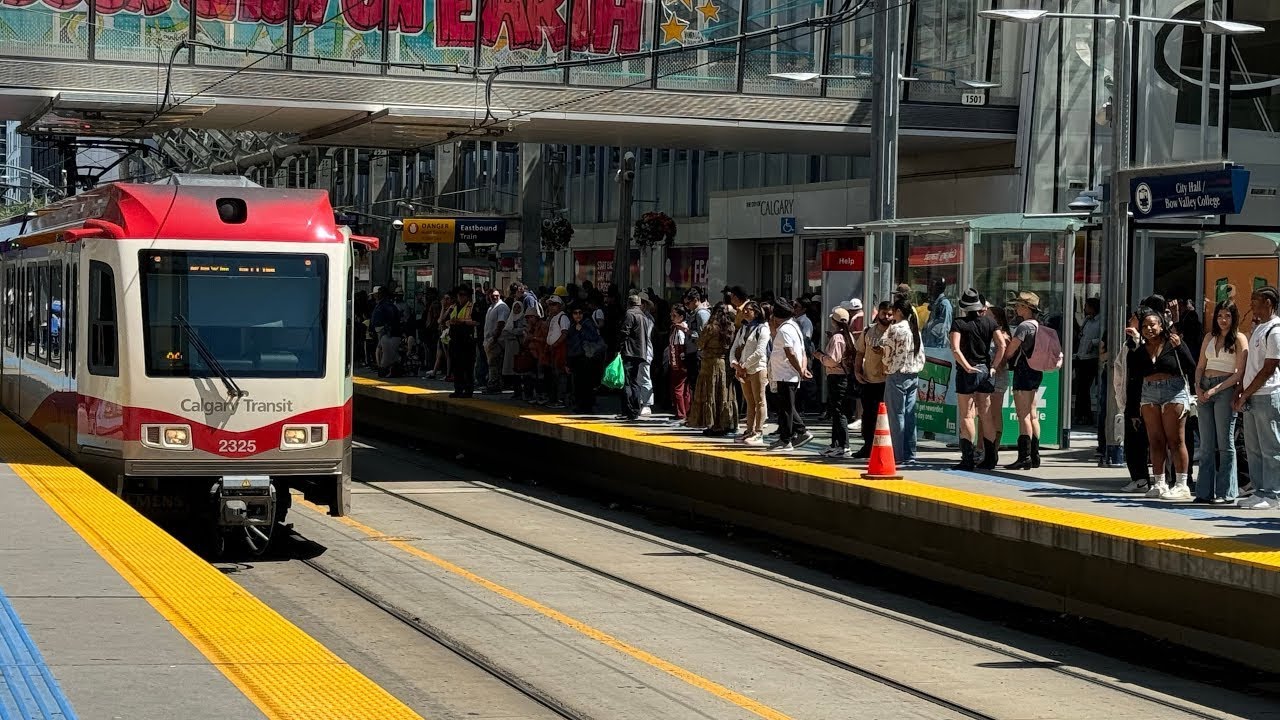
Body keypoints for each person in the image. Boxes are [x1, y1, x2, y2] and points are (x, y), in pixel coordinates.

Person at [1129, 309, 1196, 499]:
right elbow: (1135, 377)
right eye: (1144, 326)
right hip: (1148, 392)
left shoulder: (1173, 343)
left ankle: (1182, 484)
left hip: (1174, 390)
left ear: (1161, 325)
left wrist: (1180, 347)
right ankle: (1159, 483)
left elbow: (1191, 366)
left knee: (1176, 440)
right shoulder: (1140, 349)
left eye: (1153, 324)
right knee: (1155, 441)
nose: (1149, 329)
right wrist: (1133, 409)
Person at [1194, 301, 1247, 504]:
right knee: (1206, 444)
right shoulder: (1209, 336)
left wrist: (1216, 388)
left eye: (1227, 316)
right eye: (1220, 316)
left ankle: (1226, 492)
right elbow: (1200, 366)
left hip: (1225, 388)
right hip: (1205, 385)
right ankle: (1204, 492)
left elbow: (1239, 373)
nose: (1223, 320)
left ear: (1234, 318)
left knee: (1225, 443)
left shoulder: (1240, 339)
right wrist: (1198, 386)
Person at [1233, 286, 1280, 509]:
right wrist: (1242, 391)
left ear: (1269, 303)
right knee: (1253, 448)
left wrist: (1246, 393)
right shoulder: (1258, 328)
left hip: (1267, 395)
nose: (1251, 304)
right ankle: (1260, 490)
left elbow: (1269, 367)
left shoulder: (1275, 330)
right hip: (1252, 395)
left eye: (1255, 300)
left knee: (1271, 447)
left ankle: (1273, 494)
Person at [949, 288, 1004, 471]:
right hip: (986, 371)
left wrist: (966, 366)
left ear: (964, 307)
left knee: (967, 415)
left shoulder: (959, 323)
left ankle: (968, 458)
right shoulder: (990, 322)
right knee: (986, 415)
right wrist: (994, 367)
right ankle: (990, 458)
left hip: (968, 371)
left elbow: (955, 349)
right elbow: (1002, 345)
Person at [996, 291, 1045, 470]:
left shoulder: (1024, 326)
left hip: (1023, 371)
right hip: (1036, 370)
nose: (1016, 308)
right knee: (1032, 413)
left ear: (1026, 308)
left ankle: (1024, 457)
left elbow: (1011, 350)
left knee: (1022, 414)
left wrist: (1003, 360)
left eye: (1019, 305)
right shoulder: (1038, 325)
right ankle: (1035, 455)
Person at [877, 295, 926, 464]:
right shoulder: (915, 329)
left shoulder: (895, 329)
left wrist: (886, 365)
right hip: (913, 374)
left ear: (898, 311)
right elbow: (921, 354)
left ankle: (897, 454)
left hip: (896, 373)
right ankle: (910, 453)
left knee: (896, 415)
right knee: (909, 415)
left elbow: (886, 351)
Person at [767, 300, 814, 450]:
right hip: (789, 373)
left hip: (785, 374)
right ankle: (790, 435)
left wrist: (801, 370)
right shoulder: (794, 326)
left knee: (786, 407)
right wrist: (803, 368)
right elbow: (802, 351)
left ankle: (794, 434)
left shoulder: (785, 330)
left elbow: (790, 351)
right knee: (786, 406)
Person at [688, 303, 738, 436]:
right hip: (725, 362)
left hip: (710, 363)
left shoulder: (710, 328)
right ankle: (727, 422)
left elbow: (700, 344)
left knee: (711, 392)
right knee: (725, 393)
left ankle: (714, 425)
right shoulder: (731, 328)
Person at [814, 307, 855, 458]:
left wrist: (820, 356)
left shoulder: (837, 338)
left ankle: (843, 445)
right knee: (837, 411)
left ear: (834, 321)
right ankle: (835, 444)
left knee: (839, 412)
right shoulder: (848, 335)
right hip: (843, 377)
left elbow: (832, 360)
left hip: (837, 378)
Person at [853, 301, 891, 459]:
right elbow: (859, 353)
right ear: (879, 313)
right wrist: (857, 371)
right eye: (884, 313)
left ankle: (886, 449)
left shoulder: (895, 332)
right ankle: (868, 445)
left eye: (890, 314)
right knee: (868, 416)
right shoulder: (868, 331)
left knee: (886, 417)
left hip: (887, 382)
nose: (887, 317)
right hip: (869, 381)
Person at [731, 301, 769, 445]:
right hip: (743, 370)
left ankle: (758, 432)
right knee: (749, 401)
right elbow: (734, 347)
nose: (745, 312)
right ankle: (749, 430)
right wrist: (734, 363)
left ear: (756, 312)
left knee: (759, 400)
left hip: (757, 368)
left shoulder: (763, 329)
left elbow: (760, 352)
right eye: (744, 310)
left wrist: (744, 366)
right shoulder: (743, 328)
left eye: (748, 310)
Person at [981, 303, 1012, 469]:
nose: (986, 315)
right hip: (988, 377)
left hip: (998, 377)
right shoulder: (990, 332)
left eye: (990, 314)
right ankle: (984, 448)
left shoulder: (1003, 336)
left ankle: (994, 447)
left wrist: (993, 364)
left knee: (994, 413)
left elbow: (1004, 360)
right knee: (985, 413)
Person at [566, 303, 606, 413]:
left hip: (586, 358)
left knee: (586, 383)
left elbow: (593, 337)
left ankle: (586, 406)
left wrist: (582, 330)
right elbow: (570, 344)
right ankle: (580, 405)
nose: (578, 315)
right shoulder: (572, 326)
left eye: (580, 313)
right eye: (575, 313)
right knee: (578, 384)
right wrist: (568, 362)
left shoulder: (587, 323)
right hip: (576, 358)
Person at [619, 293, 651, 421]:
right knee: (635, 382)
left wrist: (619, 349)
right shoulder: (643, 316)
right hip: (640, 352)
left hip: (629, 352)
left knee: (627, 382)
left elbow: (624, 333)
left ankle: (629, 410)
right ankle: (636, 409)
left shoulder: (630, 314)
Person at [1075, 297, 1103, 425]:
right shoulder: (1087, 320)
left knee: (1085, 388)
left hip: (1091, 358)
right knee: (1080, 388)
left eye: (1086, 306)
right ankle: (1080, 414)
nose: (1085, 309)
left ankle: (1086, 415)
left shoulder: (1100, 321)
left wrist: (1093, 343)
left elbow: (1103, 337)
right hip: (1081, 356)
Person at [446, 285, 477, 398]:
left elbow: (476, 322)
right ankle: (458, 389)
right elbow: (444, 320)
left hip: (467, 340)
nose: (460, 297)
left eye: (463, 295)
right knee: (456, 366)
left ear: (468, 296)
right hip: (455, 340)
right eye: (459, 295)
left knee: (467, 366)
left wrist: (462, 322)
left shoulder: (472, 307)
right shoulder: (454, 307)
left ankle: (468, 390)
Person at [370, 287, 403, 378]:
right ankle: (385, 367)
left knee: (384, 350)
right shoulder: (381, 304)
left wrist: (386, 329)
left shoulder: (387, 305)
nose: (376, 295)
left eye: (378, 293)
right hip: (383, 331)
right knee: (381, 349)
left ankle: (385, 367)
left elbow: (391, 319)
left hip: (386, 332)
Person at [544, 295, 570, 409]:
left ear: (559, 306)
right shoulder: (553, 317)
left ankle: (561, 399)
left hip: (560, 349)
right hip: (552, 350)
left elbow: (564, 334)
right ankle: (554, 398)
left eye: (553, 304)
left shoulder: (562, 317)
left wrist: (555, 344)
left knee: (560, 374)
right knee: (553, 375)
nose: (551, 307)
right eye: (549, 304)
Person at [482, 288, 510, 393]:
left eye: (496, 295)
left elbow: (501, 323)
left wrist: (494, 338)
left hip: (496, 341)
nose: (494, 297)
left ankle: (495, 385)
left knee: (494, 364)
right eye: (492, 295)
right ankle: (492, 384)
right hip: (489, 340)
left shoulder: (501, 307)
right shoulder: (491, 307)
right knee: (492, 364)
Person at [668, 305, 691, 421]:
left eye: (674, 316)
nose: (672, 318)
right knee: (684, 389)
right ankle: (685, 411)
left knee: (678, 388)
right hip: (678, 361)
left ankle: (681, 413)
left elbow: (681, 347)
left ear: (681, 317)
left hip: (679, 362)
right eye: (671, 315)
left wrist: (679, 362)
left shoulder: (681, 330)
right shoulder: (676, 328)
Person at [922, 277, 952, 349]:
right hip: (929, 345)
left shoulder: (944, 304)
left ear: (939, 288)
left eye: (933, 286)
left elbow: (945, 328)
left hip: (937, 348)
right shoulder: (936, 303)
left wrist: (941, 348)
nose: (930, 289)